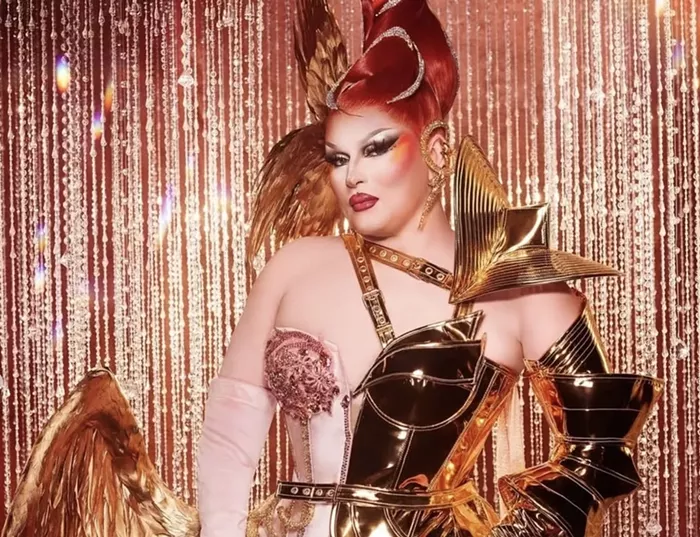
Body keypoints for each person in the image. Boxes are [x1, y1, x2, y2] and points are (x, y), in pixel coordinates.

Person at [1, 1, 662, 537]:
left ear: (436, 150)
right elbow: (230, 438)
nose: (353, 177)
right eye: (339, 157)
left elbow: (602, 447)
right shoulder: (296, 266)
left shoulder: (513, 281)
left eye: (376, 148)